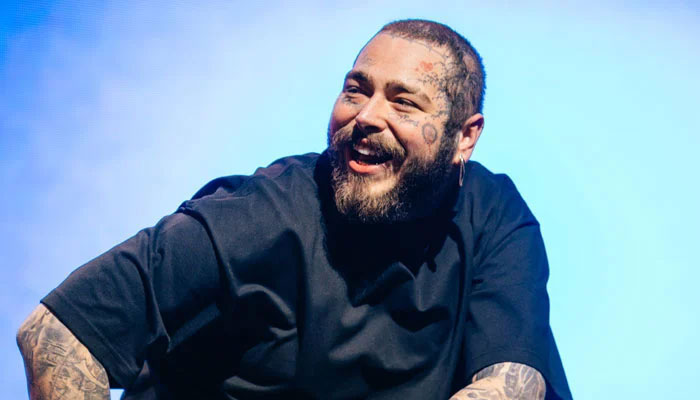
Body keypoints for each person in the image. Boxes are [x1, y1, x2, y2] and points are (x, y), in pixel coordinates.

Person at [17, 19, 572, 400]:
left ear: (464, 137)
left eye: (403, 101)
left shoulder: (492, 214)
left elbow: (514, 381)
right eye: (356, 91)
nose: (366, 116)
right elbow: (59, 331)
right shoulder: (263, 213)